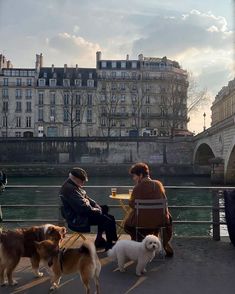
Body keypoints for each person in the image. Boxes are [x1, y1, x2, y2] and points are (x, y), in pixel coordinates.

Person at [59, 167, 117, 250]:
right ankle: (109, 244)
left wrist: (96, 205)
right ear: (74, 178)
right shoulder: (69, 189)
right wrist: (96, 210)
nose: (83, 183)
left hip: (79, 214)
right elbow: (83, 208)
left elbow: (86, 198)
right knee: (108, 219)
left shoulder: (73, 185)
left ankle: (99, 240)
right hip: (77, 218)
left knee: (104, 209)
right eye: (82, 181)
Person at [124, 162, 174, 257]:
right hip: (159, 222)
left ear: (141, 175)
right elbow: (164, 202)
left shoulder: (137, 188)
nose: (133, 179)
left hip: (140, 222)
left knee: (128, 226)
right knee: (167, 219)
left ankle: (138, 245)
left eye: (134, 176)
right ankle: (165, 244)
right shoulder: (159, 185)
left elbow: (131, 204)